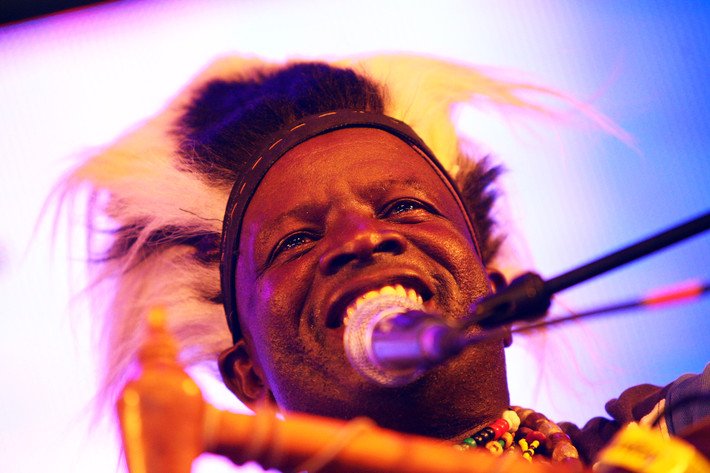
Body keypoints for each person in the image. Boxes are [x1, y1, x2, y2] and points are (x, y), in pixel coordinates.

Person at [64, 54, 708, 468]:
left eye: (404, 208)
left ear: (501, 297)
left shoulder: (658, 437)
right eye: (294, 241)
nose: (360, 238)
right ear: (249, 378)